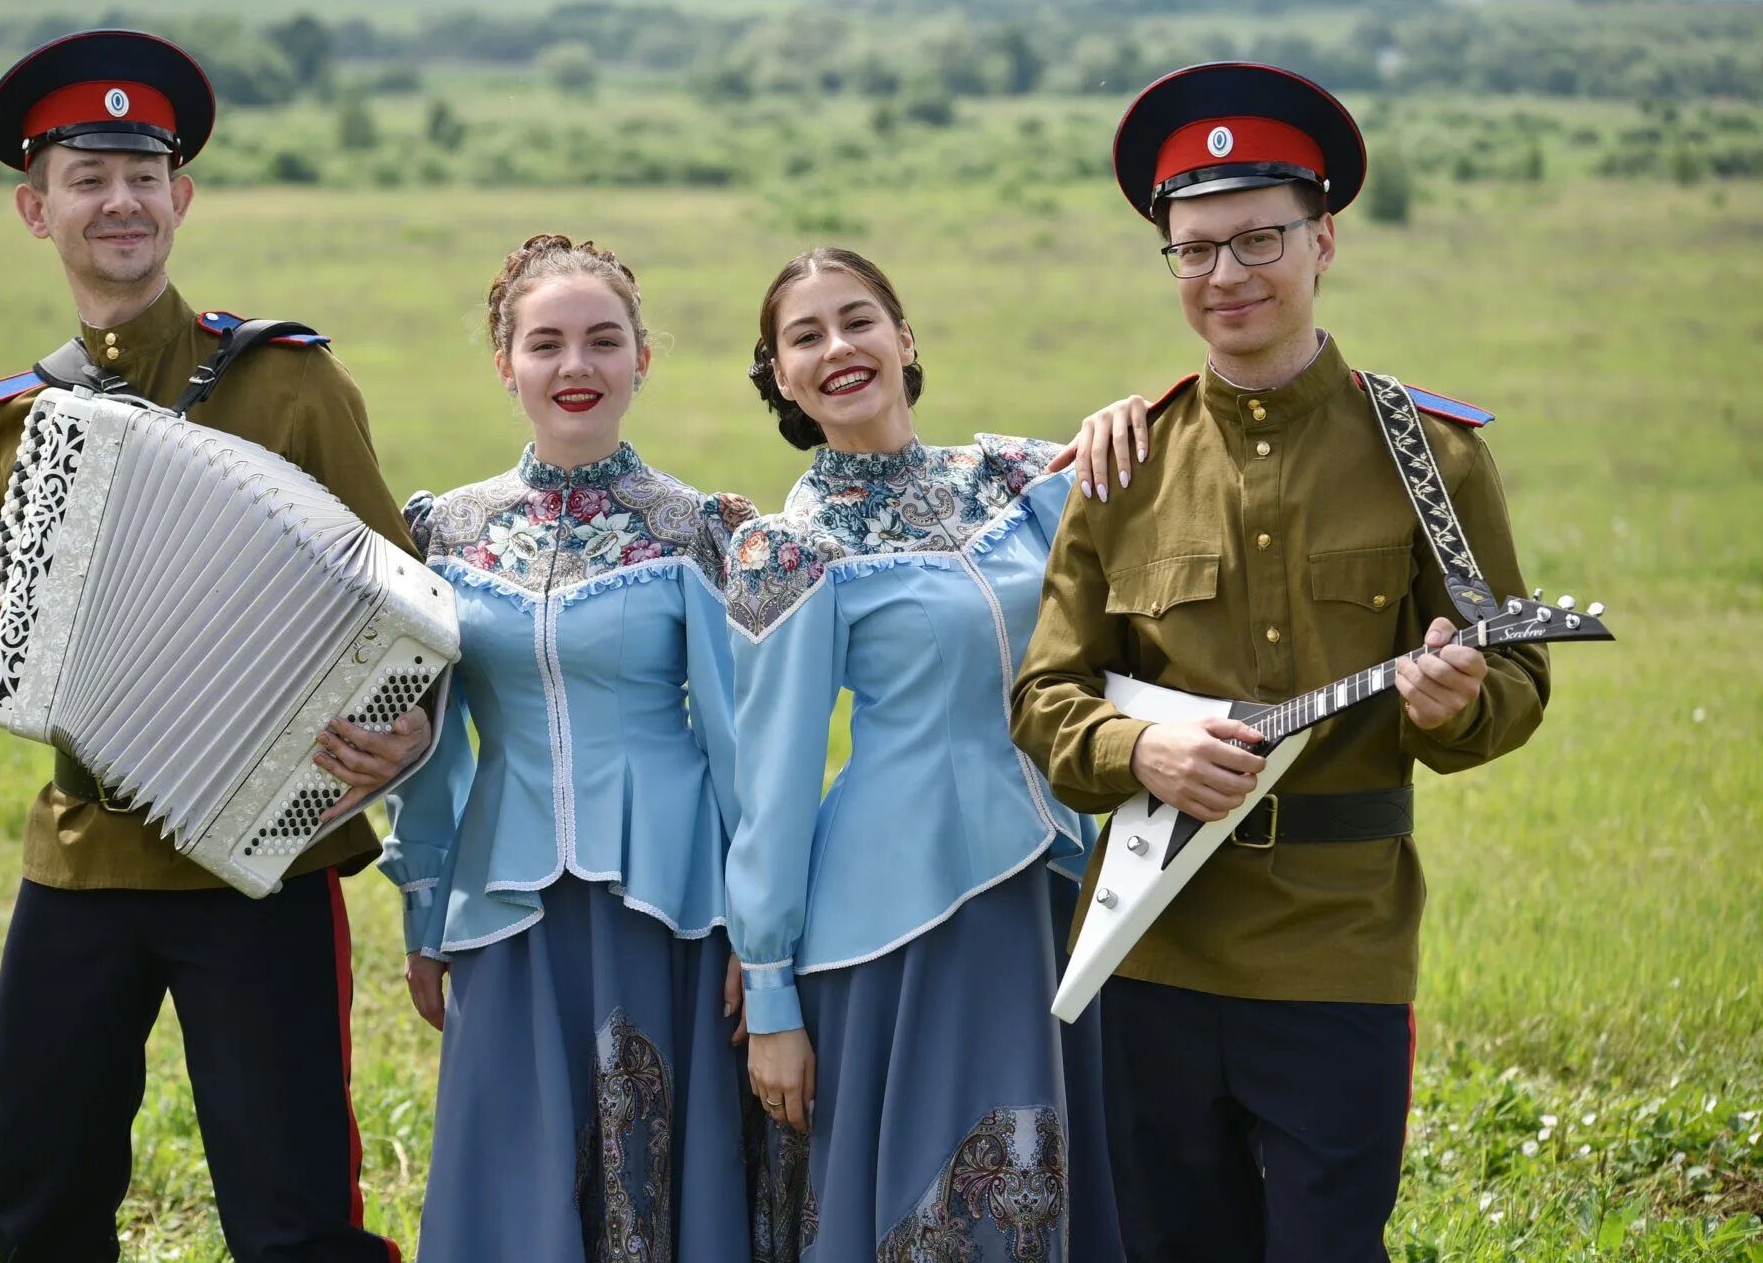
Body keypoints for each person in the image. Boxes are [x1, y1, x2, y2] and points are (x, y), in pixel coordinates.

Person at [1009, 62, 1554, 1263]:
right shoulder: (1125, 461)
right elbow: (1044, 698)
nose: (1225, 275)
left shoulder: (1430, 455)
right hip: (1150, 939)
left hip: (1338, 942)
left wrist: (1455, 704)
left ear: (1324, 243)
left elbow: (1518, 678)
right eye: (1194, 249)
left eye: (1258, 239)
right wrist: (1139, 745)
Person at [0, 30, 427, 1263]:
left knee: (296, 1210)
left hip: (263, 854)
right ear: (35, 209)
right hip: (84, 853)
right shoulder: (25, 411)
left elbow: (401, 605)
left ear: (180, 197)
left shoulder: (291, 383)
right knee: (37, 1183)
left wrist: (405, 723)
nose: (121, 200)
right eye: (87, 177)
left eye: (143, 173)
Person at [724, 246, 1148, 1262]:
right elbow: (769, 784)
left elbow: (1165, 489)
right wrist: (772, 994)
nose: (839, 347)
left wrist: (1128, 416)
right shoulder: (788, 549)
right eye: (806, 336)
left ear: (905, 339)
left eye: (859, 318)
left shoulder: (1016, 476)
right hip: (899, 914)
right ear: (780, 377)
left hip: (1054, 881)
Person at [381, 234, 757, 1261]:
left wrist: (759, 933)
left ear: (643, 357)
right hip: (505, 900)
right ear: (506, 362)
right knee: (515, 1168)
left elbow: (743, 748)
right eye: (546, 343)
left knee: (661, 1172)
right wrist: (424, 905)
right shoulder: (446, 534)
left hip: (671, 901)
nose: (576, 366)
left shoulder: (696, 529)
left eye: (603, 340)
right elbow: (428, 746)